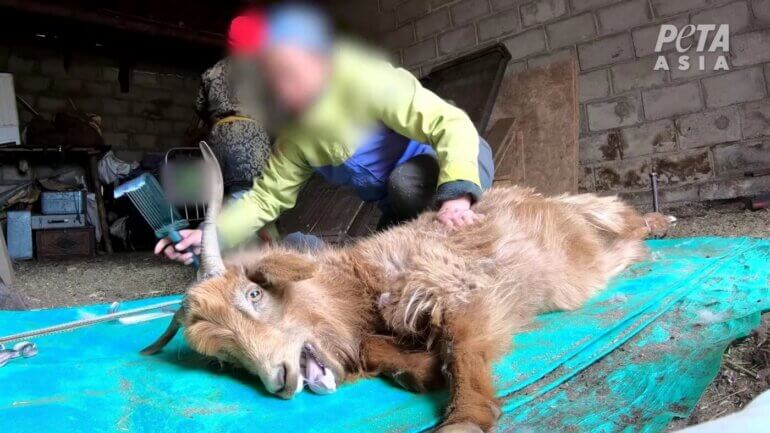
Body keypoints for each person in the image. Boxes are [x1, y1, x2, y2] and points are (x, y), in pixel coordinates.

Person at [157, 5, 494, 265]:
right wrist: (209, 236)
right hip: (400, 206)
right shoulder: (296, 136)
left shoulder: (366, 80)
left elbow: (451, 125)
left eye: (291, 72)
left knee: (404, 185)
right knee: (376, 265)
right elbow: (263, 200)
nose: (285, 91)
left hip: (458, 164)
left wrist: (455, 198)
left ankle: (455, 228)